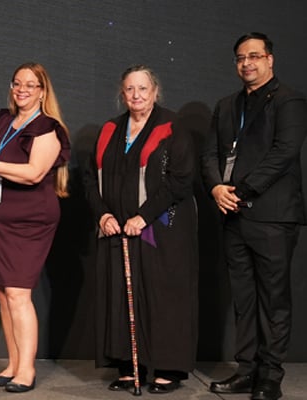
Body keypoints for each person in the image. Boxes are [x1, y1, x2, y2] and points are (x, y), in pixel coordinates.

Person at [202, 32, 307, 400]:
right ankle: (246, 371)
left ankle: (270, 377)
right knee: (243, 300)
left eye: (255, 56)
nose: (247, 63)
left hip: (272, 216)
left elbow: (283, 154)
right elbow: (210, 154)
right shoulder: (227, 105)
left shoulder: (290, 100)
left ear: (270, 60)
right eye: (241, 58)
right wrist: (217, 187)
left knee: (273, 299)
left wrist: (239, 192)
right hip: (233, 215)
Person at [83, 65, 198, 394]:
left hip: (161, 228)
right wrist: (103, 214)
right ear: (122, 94)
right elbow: (90, 178)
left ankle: (166, 368)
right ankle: (127, 367)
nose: (136, 95)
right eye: (130, 89)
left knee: (162, 296)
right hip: (116, 228)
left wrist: (144, 216)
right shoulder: (110, 129)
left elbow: (179, 180)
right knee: (120, 294)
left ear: (155, 92)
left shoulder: (171, 127)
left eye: (143, 89)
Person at [0, 62, 70, 394]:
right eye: (17, 83)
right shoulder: (4, 120)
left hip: (29, 218)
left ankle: (26, 370)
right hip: (0, 217)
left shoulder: (47, 127)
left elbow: (32, 173)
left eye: (31, 85)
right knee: (3, 293)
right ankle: (13, 363)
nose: (22, 90)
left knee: (18, 293)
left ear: (43, 91)